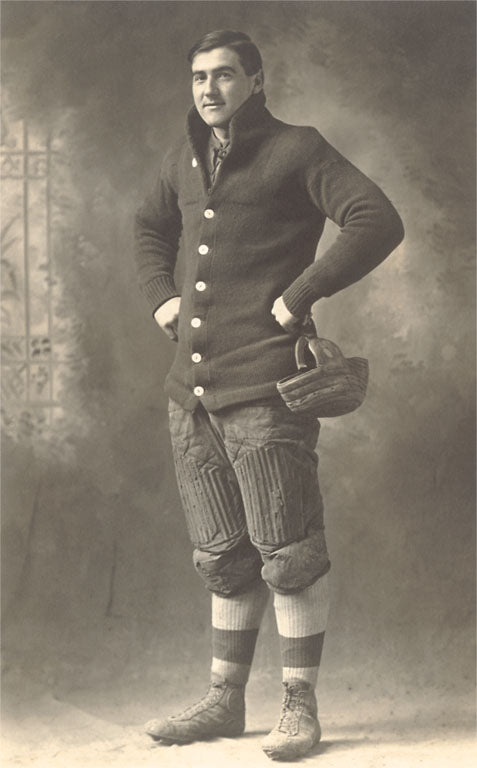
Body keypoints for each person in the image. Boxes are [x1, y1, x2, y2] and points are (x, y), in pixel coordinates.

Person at [134, 29, 404, 762]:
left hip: (265, 387)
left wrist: (302, 292)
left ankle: (297, 705)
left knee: (287, 553)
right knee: (222, 556)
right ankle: (225, 701)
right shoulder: (184, 156)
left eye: (224, 75)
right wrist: (160, 295)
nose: (209, 89)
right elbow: (148, 226)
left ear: (255, 80)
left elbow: (377, 218)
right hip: (190, 395)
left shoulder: (297, 148)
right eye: (199, 77)